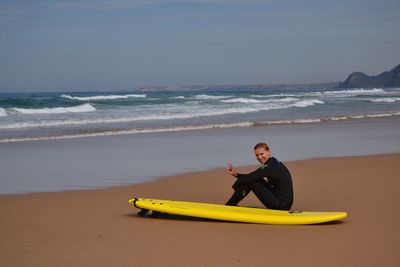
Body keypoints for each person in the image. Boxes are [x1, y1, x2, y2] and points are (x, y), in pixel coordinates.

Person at [225, 142, 294, 210]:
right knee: (254, 179)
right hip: (282, 202)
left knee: (251, 181)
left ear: (269, 152)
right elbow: (253, 176)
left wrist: (235, 185)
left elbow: (250, 177)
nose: (259, 157)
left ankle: (229, 205)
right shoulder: (273, 163)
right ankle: (230, 204)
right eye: (257, 155)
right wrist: (236, 174)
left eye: (261, 154)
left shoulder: (269, 167)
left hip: (281, 205)